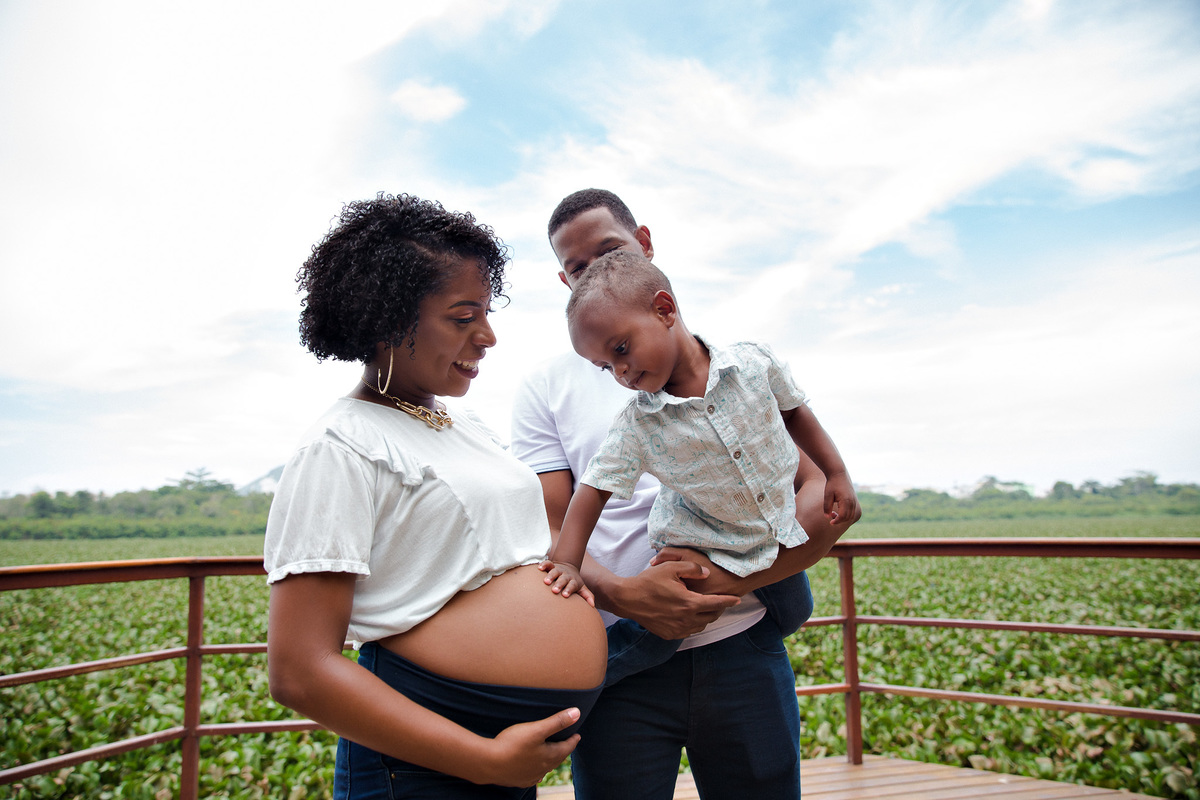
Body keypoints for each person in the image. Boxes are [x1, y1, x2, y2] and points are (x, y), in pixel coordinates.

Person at [509, 188, 860, 800]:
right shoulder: (548, 387)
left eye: (609, 251)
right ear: (561, 279)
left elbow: (804, 485)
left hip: (744, 640)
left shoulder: (738, 370)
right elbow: (556, 518)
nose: (594, 272)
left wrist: (727, 581)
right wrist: (627, 594)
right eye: (576, 268)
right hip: (621, 660)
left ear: (644, 245)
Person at [265, 193, 606, 799]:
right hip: (427, 766)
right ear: (387, 320)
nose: (489, 335)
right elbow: (299, 670)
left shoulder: (463, 427)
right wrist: (482, 760)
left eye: (486, 311)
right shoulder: (343, 445)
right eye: (461, 316)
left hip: (504, 758)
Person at [540, 249, 858, 685]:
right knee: (660, 633)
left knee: (796, 608)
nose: (621, 372)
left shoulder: (752, 363)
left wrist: (836, 472)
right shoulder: (638, 424)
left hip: (763, 535)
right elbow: (592, 489)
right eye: (606, 366)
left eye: (621, 349)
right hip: (698, 549)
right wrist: (570, 565)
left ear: (665, 309)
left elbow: (795, 412)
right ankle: (572, 680)